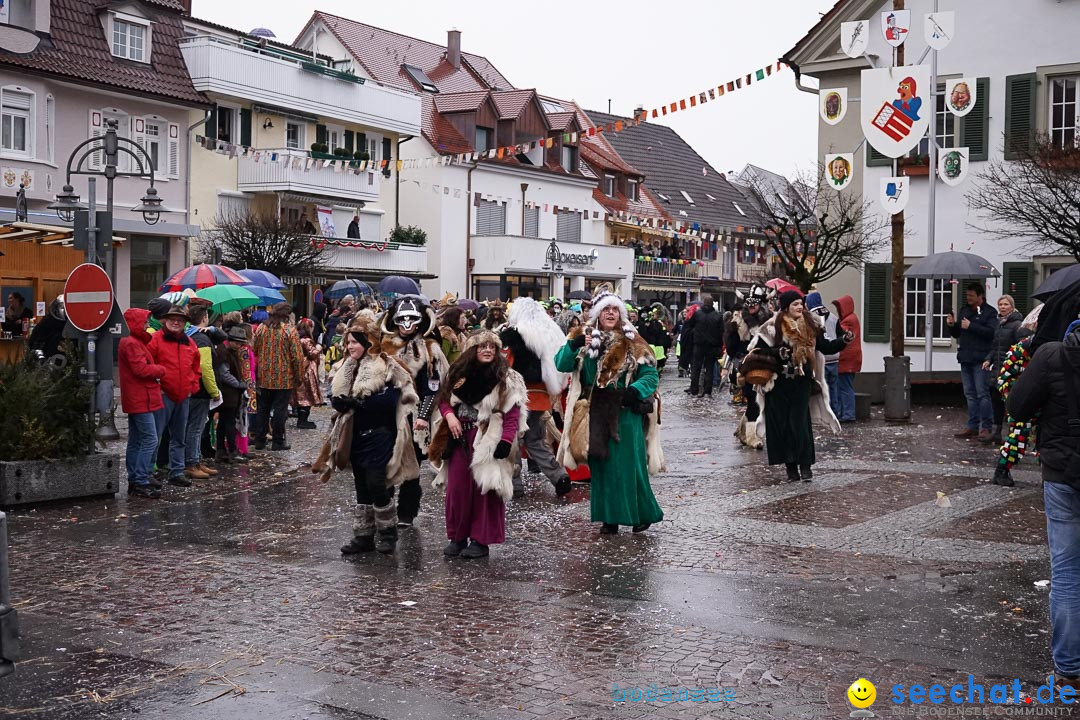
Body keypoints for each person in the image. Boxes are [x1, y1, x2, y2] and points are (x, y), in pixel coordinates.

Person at [554, 284, 665, 535]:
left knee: (629, 465)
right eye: (606, 309)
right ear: (597, 314)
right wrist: (574, 345)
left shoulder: (633, 340)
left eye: (616, 309)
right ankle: (609, 518)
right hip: (594, 410)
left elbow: (650, 375)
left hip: (625, 411)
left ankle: (640, 514)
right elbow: (561, 364)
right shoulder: (583, 336)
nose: (611, 313)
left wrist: (633, 392)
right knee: (601, 467)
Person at [1008, 321, 1080, 695]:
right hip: (1063, 470)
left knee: (1067, 572)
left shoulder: (1052, 354)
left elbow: (1017, 407)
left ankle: (1070, 669)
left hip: (1064, 472)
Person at [325, 311, 419, 555]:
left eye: (354, 341)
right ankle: (364, 536)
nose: (349, 346)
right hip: (354, 434)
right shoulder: (346, 367)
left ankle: (388, 531)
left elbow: (394, 399)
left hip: (381, 433)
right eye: (348, 342)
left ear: (368, 342)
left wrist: (361, 403)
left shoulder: (387, 365)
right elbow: (335, 395)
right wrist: (341, 403)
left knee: (376, 482)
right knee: (361, 485)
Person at [428, 331, 527, 558]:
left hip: (487, 437)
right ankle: (458, 536)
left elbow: (512, 413)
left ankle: (481, 541)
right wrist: (450, 416)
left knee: (485, 490)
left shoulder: (506, 377)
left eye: (492, 346)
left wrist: (505, 441)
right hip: (459, 438)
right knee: (457, 490)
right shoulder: (458, 373)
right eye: (482, 346)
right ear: (473, 349)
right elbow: (444, 399)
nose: (488, 350)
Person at [747, 290, 849, 483]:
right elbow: (759, 351)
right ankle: (790, 467)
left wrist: (843, 341)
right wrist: (779, 352)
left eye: (801, 304)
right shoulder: (772, 327)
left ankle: (805, 466)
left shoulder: (811, 325)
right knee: (783, 426)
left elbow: (824, 347)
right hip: (778, 385)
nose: (800, 307)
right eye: (795, 304)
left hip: (801, 382)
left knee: (800, 424)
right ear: (786, 307)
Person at [379, 295, 449, 527]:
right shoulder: (384, 347)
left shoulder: (431, 349)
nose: (406, 324)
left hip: (415, 416)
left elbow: (434, 387)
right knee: (385, 462)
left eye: (411, 319)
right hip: (387, 414)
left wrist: (423, 416)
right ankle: (385, 509)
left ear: (420, 321)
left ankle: (407, 513)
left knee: (412, 466)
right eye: (402, 319)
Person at [500, 297, 572, 498]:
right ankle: (558, 476)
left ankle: (515, 485)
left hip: (518, 397)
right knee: (535, 440)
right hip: (541, 396)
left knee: (513, 440)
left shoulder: (516, 334)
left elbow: (508, 364)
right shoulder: (550, 330)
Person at [147, 305, 202, 487]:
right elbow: (148, 364)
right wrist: (158, 386)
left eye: (179, 320)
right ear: (165, 320)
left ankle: (177, 471)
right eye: (172, 319)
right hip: (164, 395)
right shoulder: (155, 340)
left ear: (185, 323)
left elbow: (196, 367)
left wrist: (191, 387)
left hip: (183, 396)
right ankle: (149, 472)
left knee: (179, 437)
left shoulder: (189, 342)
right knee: (156, 436)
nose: (175, 322)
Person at [119, 308, 166, 499]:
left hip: (140, 397)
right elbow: (141, 369)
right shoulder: (131, 343)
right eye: (145, 322)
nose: (147, 326)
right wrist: (160, 370)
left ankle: (137, 477)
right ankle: (140, 479)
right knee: (150, 439)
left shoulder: (133, 342)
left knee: (137, 439)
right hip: (140, 398)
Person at [947, 282, 999, 441]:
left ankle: (986, 427)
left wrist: (971, 326)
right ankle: (972, 425)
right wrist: (952, 326)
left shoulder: (990, 313)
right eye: (967, 295)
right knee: (969, 394)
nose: (968, 298)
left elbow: (991, 333)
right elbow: (958, 333)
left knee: (982, 393)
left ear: (980, 296)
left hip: (981, 358)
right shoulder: (964, 310)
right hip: (966, 358)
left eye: (971, 296)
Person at [252, 302, 304, 451]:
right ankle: (278, 441)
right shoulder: (289, 331)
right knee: (280, 411)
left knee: (263, 410)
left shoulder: (262, 328)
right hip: (284, 378)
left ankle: (260, 440)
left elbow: (254, 349)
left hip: (263, 377)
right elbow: (297, 357)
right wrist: (299, 376)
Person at [984, 295, 1030, 444]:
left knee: (1010, 403)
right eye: (1000, 304)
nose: (1002, 307)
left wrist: (1013, 365)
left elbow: (1022, 347)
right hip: (997, 368)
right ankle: (996, 432)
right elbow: (995, 345)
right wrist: (988, 359)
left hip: (1010, 370)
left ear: (1012, 306)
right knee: (996, 400)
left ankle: (1013, 435)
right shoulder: (1000, 324)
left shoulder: (1018, 325)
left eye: (1005, 304)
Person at [183, 302, 221, 481]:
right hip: (199, 390)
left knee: (192, 427)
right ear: (205, 318)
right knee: (195, 428)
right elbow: (205, 367)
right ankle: (192, 462)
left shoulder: (187, 335)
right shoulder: (201, 339)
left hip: (190, 388)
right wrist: (214, 391)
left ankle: (196, 460)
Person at [805, 292, 840, 414]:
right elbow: (840, 335)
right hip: (835, 358)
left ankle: (823, 413)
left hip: (821, 358)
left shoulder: (810, 317)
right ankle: (836, 412)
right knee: (834, 388)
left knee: (822, 388)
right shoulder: (833, 316)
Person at [685, 295, 724, 397]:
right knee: (709, 369)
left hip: (699, 345)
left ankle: (694, 389)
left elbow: (690, 325)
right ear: (712, 304)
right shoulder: (718, 316)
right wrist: (719, 346)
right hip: (712, 346)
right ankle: (707, 391)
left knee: (696, 368)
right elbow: (721, 332)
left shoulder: (697, 314)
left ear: (703, 303)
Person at [831, 295, 862, 423]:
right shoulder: (852, 318)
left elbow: (838, 334)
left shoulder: (848, 321)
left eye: (839, 308)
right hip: (851, 359)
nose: (838, 311)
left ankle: (848, 414)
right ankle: (845, 413)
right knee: (844, 385)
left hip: (846, 359)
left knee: (844, 387)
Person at [293, 318, 324, 430]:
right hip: (307, 371)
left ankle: (302, 418)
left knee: (301, 394)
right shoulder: (306, 340)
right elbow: (312, 354)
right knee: (307, 395)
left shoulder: (296, 338)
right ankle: (303, 420)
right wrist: (319, 347)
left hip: (300, 369)